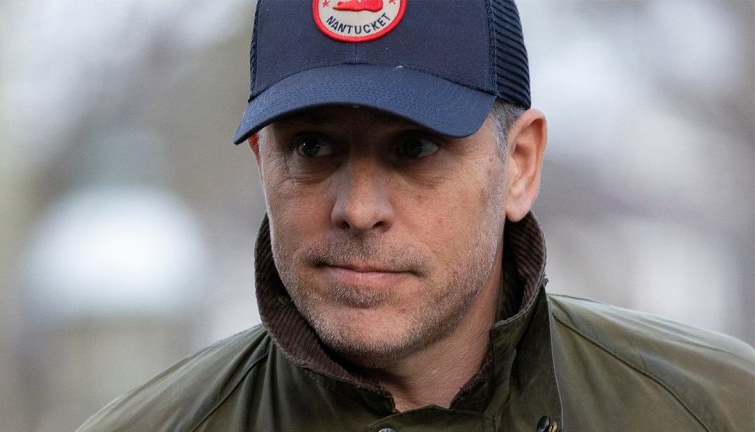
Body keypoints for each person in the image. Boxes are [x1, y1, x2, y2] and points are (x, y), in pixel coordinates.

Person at [78, 0, 754, 430]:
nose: (358, 209)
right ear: (263, 163)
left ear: (519, 165)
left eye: (414, 147)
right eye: (312, 147)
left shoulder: (716, 410)